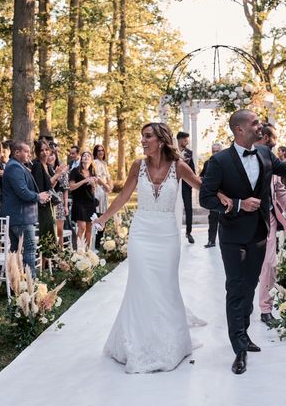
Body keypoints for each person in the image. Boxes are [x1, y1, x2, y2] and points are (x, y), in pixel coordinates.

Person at [94, 122, 230, 374]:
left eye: (147, 137)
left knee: (165, 285)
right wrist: (104, 218)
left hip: (167, 234)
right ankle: (137, 340)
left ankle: (169, 343)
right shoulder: (138, 165)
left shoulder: (179, 166)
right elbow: (123, 195)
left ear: (161, 140)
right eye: (142, 136)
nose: (143, 141)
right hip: (142, 232)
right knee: (141, 285)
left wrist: (220, 195)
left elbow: (201, 184)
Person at [200, 109, 286, 375]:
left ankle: (244, 334)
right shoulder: (219, 161)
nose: (260, 126)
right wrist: (238, 204)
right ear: (239, 130)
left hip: (259, 233)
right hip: (232, 235)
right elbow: (206, 198)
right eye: (254, 123)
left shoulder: (263, 153)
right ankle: (238, 347)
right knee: (236, 287)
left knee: (250, 285)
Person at [255, 125, 286, 326]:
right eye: (273, 136)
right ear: (263, 137)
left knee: (270, 264)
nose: (275, 141)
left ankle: (265, 308)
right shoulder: (244, 158)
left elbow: (279, 188)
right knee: (251, 266)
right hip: (247, 219)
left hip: (269, 219)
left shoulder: (272, 161)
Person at [1, 140, 50, 275]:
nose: (29, 154)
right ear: (17, 152)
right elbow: (22, 191)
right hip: (21, 216)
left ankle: (15, 280)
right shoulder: (14, 167)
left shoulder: (18, 166)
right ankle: (30, 280)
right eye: (26, 151)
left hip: (19, 216)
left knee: (16, 249)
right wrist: (38, 196)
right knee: (30, 248)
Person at [32, 139, 67, 246]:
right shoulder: (37, 166)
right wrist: (58, 174)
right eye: (41, 150)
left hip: (50, 205)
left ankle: (50, 261)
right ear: (37, 152)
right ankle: (45, 262)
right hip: (42, 206)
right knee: (46, 235)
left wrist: (56, 174)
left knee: (51, 234)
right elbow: (42, 188)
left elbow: (51, 186)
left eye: (46, 149)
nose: (45, 152)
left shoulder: (48, 166)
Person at [69, 151, 98, 249]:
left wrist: (93, 185)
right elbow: (71, 187)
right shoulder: (75, 171)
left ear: (91, 160)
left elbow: (93, 189)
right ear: (81, 159)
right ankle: (78, 253)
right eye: (84, 156)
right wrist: (84, 181)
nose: (86, 157)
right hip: (79, 202)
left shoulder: (92, 172)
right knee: (82, 227)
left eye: (88, 156)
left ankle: (87, 253)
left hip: (90, 202)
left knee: (89, 229)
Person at [199, 143, 223, 248]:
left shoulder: (227, 162)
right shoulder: (207, 163)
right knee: (213, 219)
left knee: (226, 220)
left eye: (217, 151)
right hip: (213, 195)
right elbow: (201, 177)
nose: (215, 153)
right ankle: (211, 241)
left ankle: (225, 242)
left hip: (225, 194)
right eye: (214, 151)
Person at [176, 131, 195, 243]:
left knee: (188, 208)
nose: (187, 142)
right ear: (179, 140)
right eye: (185, 140)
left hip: (186, 185)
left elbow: (192, 170)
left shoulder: (189, 153)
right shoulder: (172, 151)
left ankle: (189, 233)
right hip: (174, 184)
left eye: (187, 140)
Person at [92, 144, 113, 248]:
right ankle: (96, 241)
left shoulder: (104, 163)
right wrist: (105, 185)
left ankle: (100, 239)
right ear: (95, 152)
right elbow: (97, 177)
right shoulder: (95, 163)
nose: (101, 152)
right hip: (98, 190)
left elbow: (108, 177)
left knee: (104, 214)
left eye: (102, 150)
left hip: (105, 191)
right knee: (98, 213)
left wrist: (110, 186)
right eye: (98, 151)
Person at [48, 151, 69, 248]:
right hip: (48, 199)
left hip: (59, 200)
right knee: (50, 229)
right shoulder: (44, 168)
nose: (50, 157)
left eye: (52, 154)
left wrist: (65, 206)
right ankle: (50, 254)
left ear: (56, 156)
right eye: (49, 155)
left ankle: (60, 253)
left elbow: (65, 189)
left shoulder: (62, 169)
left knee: (59, 230)